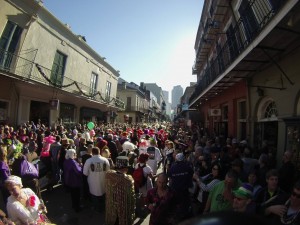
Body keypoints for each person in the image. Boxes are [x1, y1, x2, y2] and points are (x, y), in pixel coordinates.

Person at [105, 156, 135, 225]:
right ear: (125, 168)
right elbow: (132, 197)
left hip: (111, 208)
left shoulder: (108, 175)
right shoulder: (128, 180)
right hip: (123, 211)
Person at [83, 147, 110, 212]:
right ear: (99, 152)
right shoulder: (105, 160)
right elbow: (108, 171)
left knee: (94, 195)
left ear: (92, 152)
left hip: (93, 181)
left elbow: (85, 173)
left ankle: (96, 208)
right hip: (103, 180)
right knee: (103, 194)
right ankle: (103, 207)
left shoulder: (89, 161)